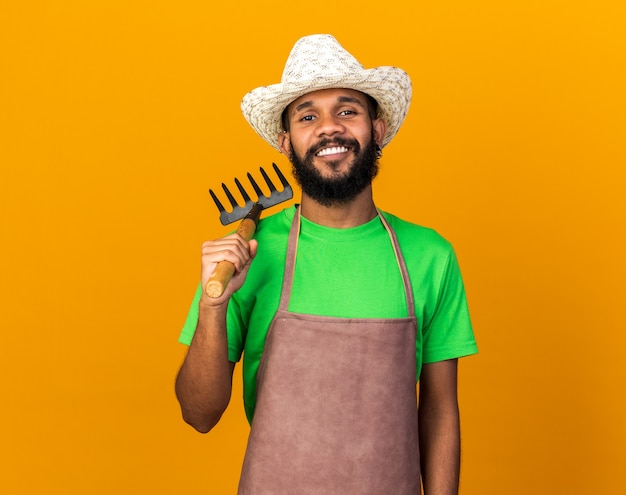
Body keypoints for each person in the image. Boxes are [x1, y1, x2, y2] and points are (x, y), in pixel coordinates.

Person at [175, 34, 478, 495]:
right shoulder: (249, 256)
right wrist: (213, 310)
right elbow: (199, 415)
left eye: (347, 111)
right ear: (286, 141)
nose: (329, 128)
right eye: (308, 116)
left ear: (375, 130)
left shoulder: (429, 256)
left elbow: (439, 410)